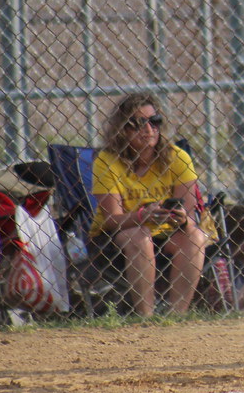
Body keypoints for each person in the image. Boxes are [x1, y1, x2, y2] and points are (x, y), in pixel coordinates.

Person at [88, 93, 209, 316]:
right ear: (122, 129)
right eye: (137, 124)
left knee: (195, 237)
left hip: (167, 232)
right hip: (118, 235)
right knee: (139, 236)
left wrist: (182, 217)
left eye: (154, 122)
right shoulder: (107, 160)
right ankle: (147, 317)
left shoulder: (177, 157)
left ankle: (176, 315)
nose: (148, 130)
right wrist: (144, 215)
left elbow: (191, 214)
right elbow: (112, 218)